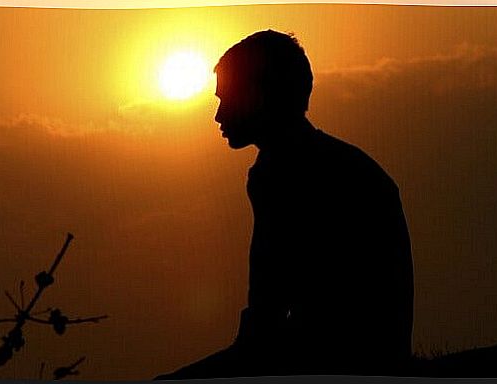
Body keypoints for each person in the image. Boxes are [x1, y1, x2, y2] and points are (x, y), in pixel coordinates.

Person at [155, 29, 414, 379]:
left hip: (336, 360)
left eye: (226, 98)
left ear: (260, 95)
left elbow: (268, 317)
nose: (218, 115)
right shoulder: (340, 165)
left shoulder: (283, 175)